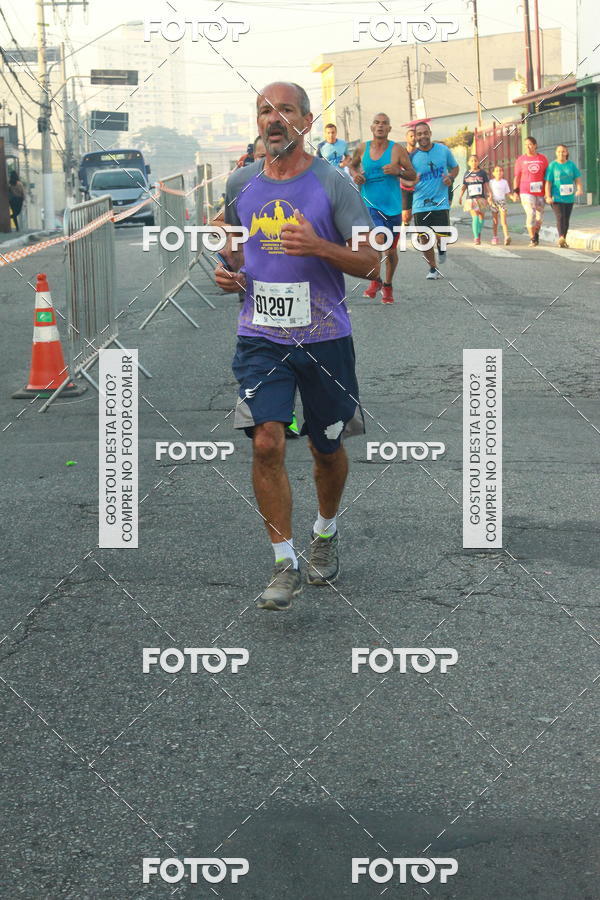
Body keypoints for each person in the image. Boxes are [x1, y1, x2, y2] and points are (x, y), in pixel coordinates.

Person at [214, 82, 378, 611]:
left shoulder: (332, 183)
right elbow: (236, 252)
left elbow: (372, 261)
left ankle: (325, 532)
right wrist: (228, 270)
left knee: (325, 448)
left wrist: (319, 246)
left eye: (285, 109)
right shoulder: (241, 182)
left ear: (306, 121)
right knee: (266, 440)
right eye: (265, 110)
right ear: (257, 122)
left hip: (325, 338)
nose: (274, 117)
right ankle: (283, 562)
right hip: (260, 336)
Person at [349, 112, 416, 303]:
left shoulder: (397, 150)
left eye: (384, 123)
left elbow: (412, 175)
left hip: (393, 209)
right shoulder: (362, 148)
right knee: (377, 240)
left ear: (389, 128)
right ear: (372, 127)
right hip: (370, 205)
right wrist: (356, 174)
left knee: (390, 251)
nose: (380, 126)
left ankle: (387, 284)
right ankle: (375, 279)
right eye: (376, 123)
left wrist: (399, 171)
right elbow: (352, 166)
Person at [410, 121, 459, 279]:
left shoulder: (443, 150)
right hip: (420, 203)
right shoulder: (412, 157)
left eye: (425, 133)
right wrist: (411, 182)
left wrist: (450, 177)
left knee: (441, 236)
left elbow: (455, 167)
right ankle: (433, 268)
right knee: (423, 238)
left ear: (430, 133)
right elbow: (402, 180)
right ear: (416, 137)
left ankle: (442, 248)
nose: (422, 136)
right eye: (419, 134)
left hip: (440, 202)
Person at [544, 144, 583, 248]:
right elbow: (548, 182)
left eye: (563, 151)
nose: (561, 153)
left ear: (567, 153)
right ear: (556, 153)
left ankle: (563, 239)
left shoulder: (571, 165)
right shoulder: (552, 166)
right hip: (556, 197)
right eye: (559, 152)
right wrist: (547, 196)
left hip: (569, 197)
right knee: (560, 216)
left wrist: (579, 189)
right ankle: (561, 237)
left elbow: (577, 178)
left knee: (566, 219)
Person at [513, 136, 548, 247]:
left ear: (535, 145)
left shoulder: (542, 159)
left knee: (539, 218)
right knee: (531, 213)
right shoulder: (521, 160)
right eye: (526, 145)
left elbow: (547, 176)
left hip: (540, 191)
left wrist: (548, 191)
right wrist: (515, 191)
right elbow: (517, 177)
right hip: (526, 191)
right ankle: (532, 238)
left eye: (530, 144)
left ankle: (536, 233)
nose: (528, 147)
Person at [458, 154, 491, 245]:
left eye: (475, 160)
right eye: (472, 160)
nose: (474, 162)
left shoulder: (482, 173)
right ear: (469, 163)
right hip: (470, 199)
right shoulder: (466, 173)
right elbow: (464, 186)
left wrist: (490, 195)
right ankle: (476, 237)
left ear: (478, 162)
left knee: (481, 217)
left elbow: (486, 185)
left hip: (481, 198)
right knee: (475, 216)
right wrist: (460, 196)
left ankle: (478, 231)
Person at [488, 165, 514, 245]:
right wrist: (489, 199)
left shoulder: (504, 182)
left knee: (503, 221)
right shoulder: (491, 182)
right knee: (495, 221)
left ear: (502, 173)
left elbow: (508, 193)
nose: (499, 172)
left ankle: (506, 237)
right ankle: (495, 237)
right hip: (493, 202)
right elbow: (489, 193)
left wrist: (513, 197)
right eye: (497, 171)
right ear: (493, 173)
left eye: (500, 170)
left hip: (502, 202)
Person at [401, 127, 416, 225]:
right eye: (411, 136)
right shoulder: (401, 154)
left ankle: (421, 235)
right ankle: (404, 229)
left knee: (420, 213)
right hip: (404, 188)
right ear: (406, 138)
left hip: (419, 187)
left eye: (415, 136)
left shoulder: (420, 153)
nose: (414, 138)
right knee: (406, 216)